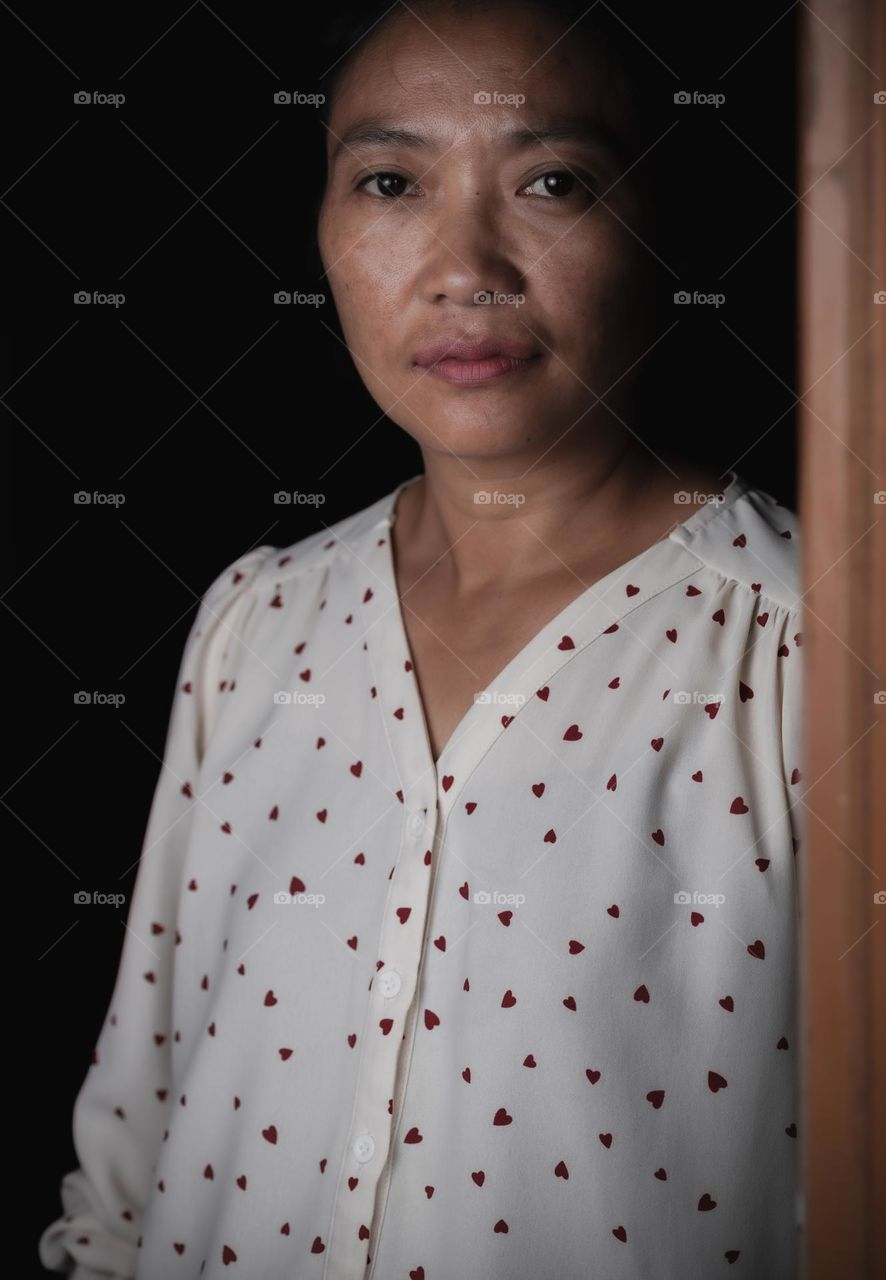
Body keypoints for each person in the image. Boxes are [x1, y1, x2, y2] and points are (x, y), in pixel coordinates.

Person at [39, 2, 803, 1277]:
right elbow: (138, 1119)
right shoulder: (257, 621)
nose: (464, 268)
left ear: (657, 224)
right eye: (390, 181)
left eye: (552, 181)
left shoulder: (804, 642)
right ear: (325, 230)